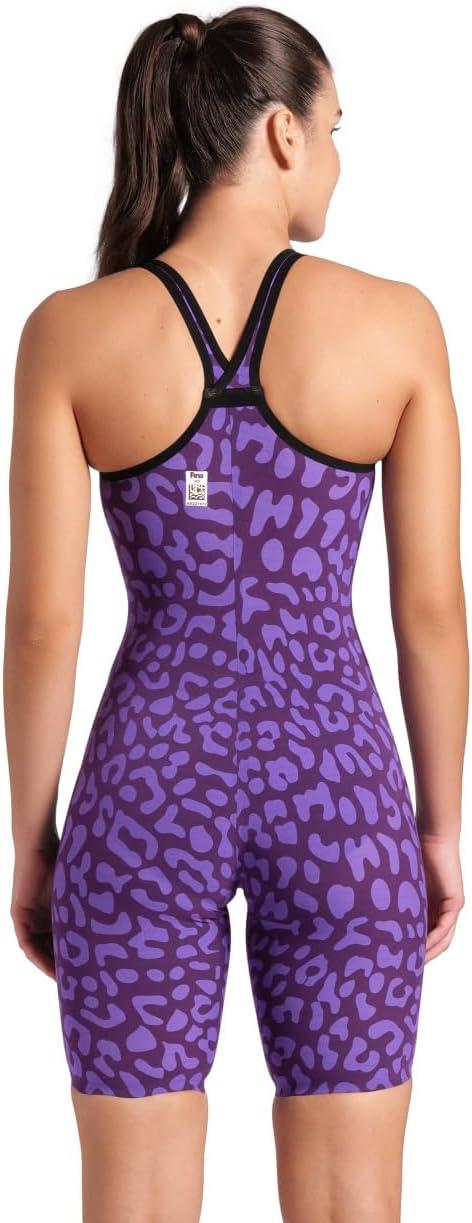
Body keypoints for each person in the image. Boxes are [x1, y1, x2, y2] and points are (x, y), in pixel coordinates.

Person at [4, 6, 468, 1222]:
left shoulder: (70, 332)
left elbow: (43, 621)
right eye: (334, 130)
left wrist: (33, 835)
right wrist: (437, 824)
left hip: (145, 789)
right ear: (280, 133)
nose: (335, 159)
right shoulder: (398, 324)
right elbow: (430, 610)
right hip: (341, 789)